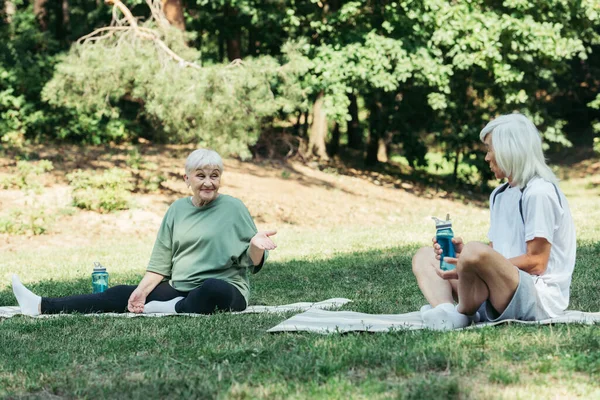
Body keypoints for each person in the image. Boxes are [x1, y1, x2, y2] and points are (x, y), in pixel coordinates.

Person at [11, 149, 277, 316]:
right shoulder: (176, 211)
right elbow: (161, 262)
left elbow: (254, 262)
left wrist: (256, 244)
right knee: (119, 294)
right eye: (201, 175)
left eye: (215, 175)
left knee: (213, 289)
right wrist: (140, 292)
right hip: (180, 288)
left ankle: (170, 308)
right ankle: (41, 306)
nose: (208, 182)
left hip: (227, 291)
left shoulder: (234, 208)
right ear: (187, 179)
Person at [412, 113, 576, 330]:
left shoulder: (539, 192)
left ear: (510, 149)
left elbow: (537, 262)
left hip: (538, 298)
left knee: (474, 250)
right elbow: (496, 252)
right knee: (425, 257)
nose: (487, 157)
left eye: (490, 149)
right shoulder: (499, 194)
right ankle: (447, 312)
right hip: (502, 288)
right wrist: (465, 259)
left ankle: (463, 313)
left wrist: (475, 259)